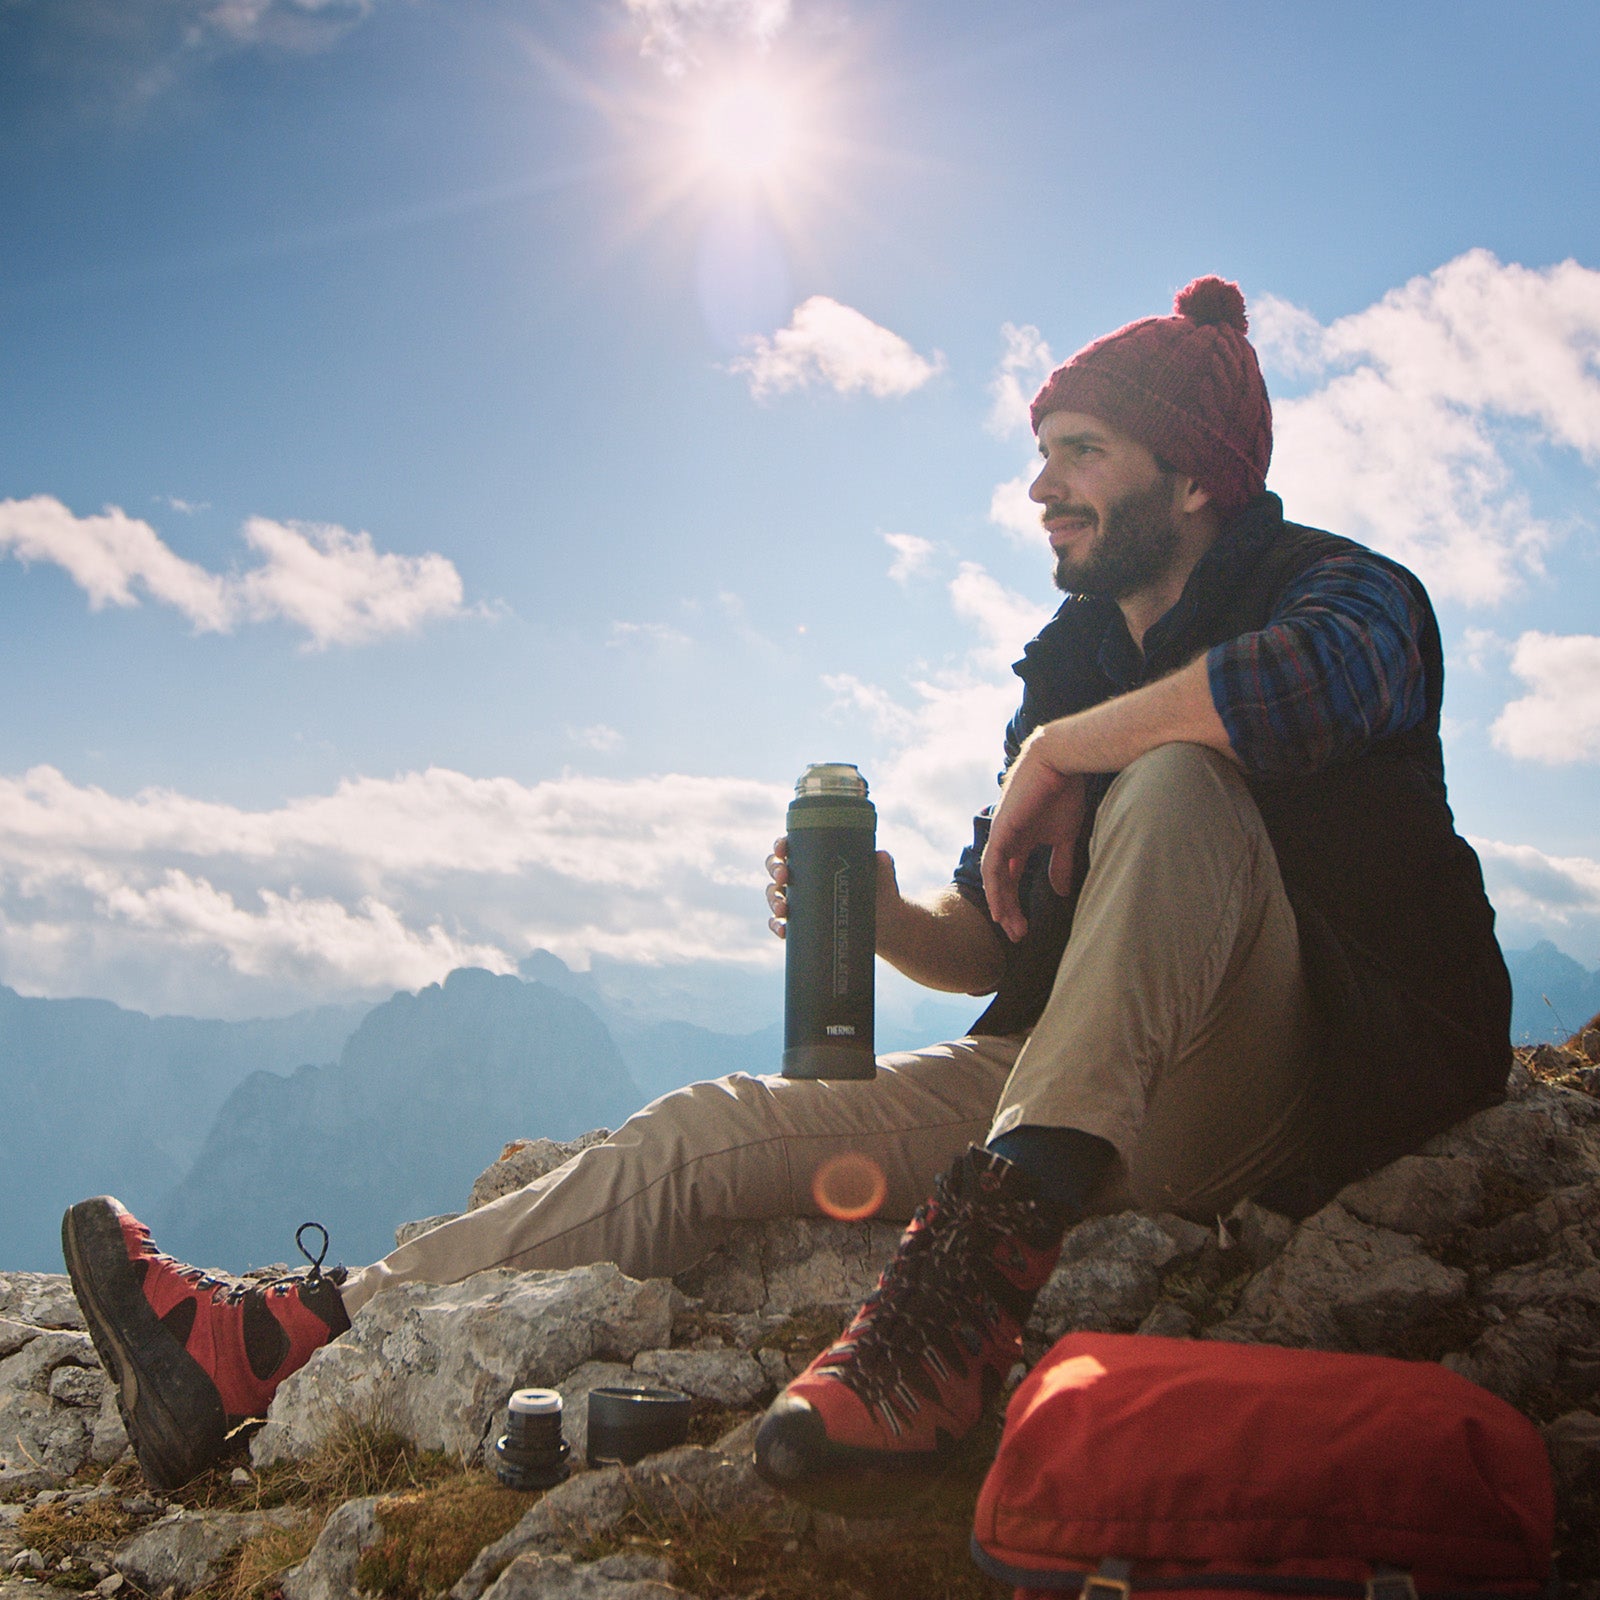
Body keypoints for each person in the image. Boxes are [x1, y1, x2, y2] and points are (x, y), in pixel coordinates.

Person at [62, 277, 1511, 1513]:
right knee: (700, 1135)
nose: (1040, 487)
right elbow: (1000, 935)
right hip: (1070, 1090)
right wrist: (884, 916)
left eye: (1081, 450)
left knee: (1183, 781)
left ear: (1195, 477)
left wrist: (1075, 753)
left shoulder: (1341, 594)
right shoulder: (1072, 659)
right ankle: (269, 1340)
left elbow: (1305, 697)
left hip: (1298, 1079)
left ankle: (948, 1316)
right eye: (1041, 451)